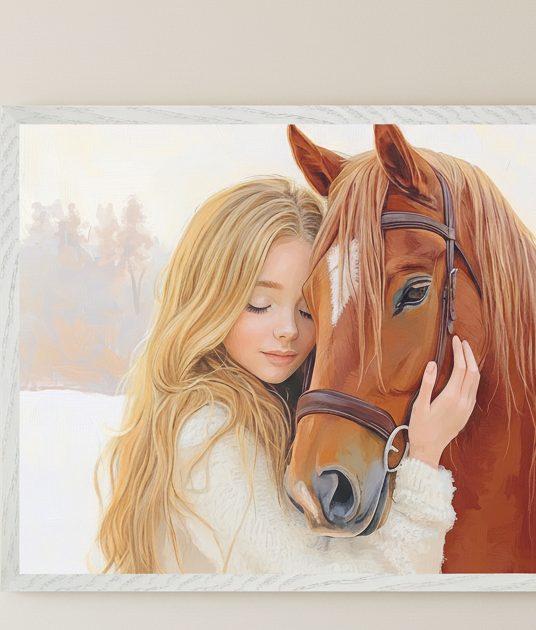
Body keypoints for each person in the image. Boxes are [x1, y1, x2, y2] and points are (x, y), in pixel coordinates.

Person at [95, 176, 479, 574]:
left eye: (308, 308)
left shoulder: (275, 406)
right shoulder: (207, 435)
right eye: (260, 304)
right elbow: (327, 601)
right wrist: (424, 461)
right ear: (208, 303)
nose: (289, 330)